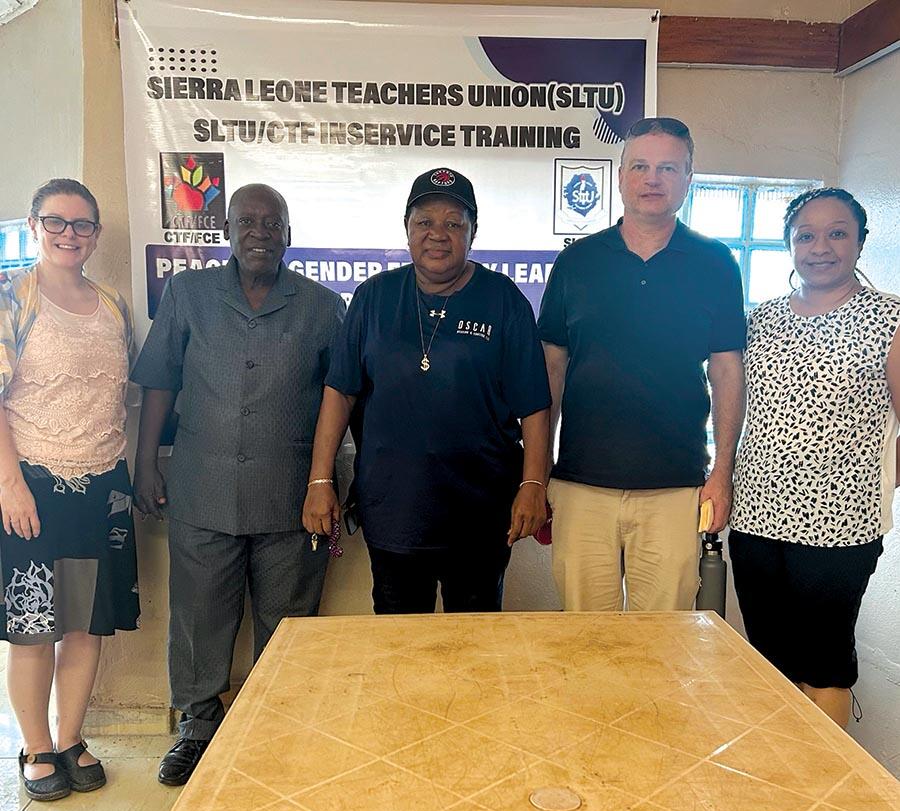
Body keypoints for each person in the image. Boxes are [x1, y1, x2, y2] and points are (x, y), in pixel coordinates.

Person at [131, 183, 344, 785]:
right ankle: (197, 730)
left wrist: (335, 483)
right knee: (199, 619)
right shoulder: (187, 294)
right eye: (246, 221)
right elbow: (160, 383)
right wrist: (147, 462)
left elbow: (343, 399)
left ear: (289, 235)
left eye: (271, 223)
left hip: (291, 494)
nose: (259, 232)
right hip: (201, 489)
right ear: (226, 230)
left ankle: (275, 726)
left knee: (287, 623)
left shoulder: (323, 307)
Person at [302, 168, 550, 613]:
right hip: (395, 512)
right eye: (425, 222)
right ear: (407, 229)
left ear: (473, 232)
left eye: (453, 223)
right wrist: (320, 480)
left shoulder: (504, 299)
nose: (438, 234)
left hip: (480, 514)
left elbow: (534, 405)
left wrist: (534, 483)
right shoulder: (373, 297)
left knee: (474, 647)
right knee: (399, 648)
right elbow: (340, 392)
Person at [538, 117, 746, 612]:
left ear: (688, 179)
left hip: (676, 486)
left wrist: (722, 473)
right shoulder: (578, 262)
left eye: (668, 168)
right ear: (621, 176)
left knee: (667, 641)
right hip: (581, 484)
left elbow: (726, 371)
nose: (653, 178)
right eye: (641, 166)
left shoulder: (715, 262)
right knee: (586, 638)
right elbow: (552, 368)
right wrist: (539, 465)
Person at [729, 187, 900, 728]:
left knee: (823, 667)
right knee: (771, 665)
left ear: (860, 242)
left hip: (841, 530)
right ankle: (781, 785)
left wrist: (875, 485)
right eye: (806, 235)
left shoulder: (888, 320)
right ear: (789, 244)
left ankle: (828, 796)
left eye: (837, 233)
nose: (820, 247)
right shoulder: (762, 319)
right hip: (756, 521)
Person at [0, 179, 140, 801]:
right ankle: (35, 746)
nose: (69, 235)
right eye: (56, 222)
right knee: (34, 627)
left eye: (82, 225)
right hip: (31, 486)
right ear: (34, 227)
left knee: (85, 626)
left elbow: (125, 393)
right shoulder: (12, 299)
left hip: (103, 486)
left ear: (96, 234)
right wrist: (9, 484)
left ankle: (70, 738)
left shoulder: (113, 304)